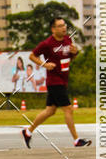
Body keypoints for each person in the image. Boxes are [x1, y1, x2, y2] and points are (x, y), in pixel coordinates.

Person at [20, 17, 91, 148]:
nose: (64, 28)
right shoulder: (47, 44)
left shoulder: (68, 40)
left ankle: (27, 131)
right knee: (68, 109)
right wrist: (44, 64)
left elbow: (70, 57)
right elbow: (32, 56)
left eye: (64, 25)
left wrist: (75, 53)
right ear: (53, 29)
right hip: (54, 81)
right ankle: (77, 140)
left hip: (63, 80)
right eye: (60, 26)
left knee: (50, 111)